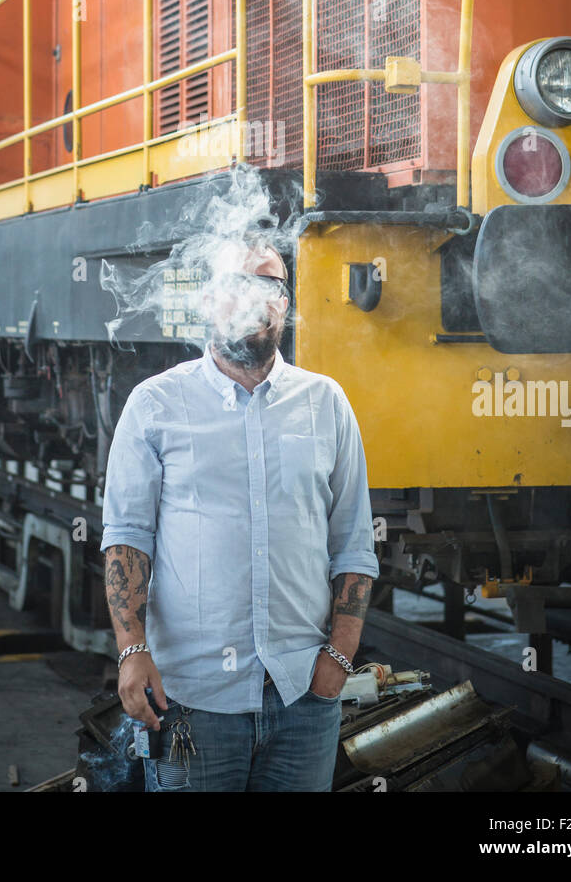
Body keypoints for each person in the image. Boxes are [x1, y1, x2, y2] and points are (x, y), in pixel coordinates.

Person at [100, 234, 378, 792]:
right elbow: (128, 541)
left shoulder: (327, 403)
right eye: (237, 284)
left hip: (303, 698)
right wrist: (132, 653)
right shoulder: (155, 404)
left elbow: (352, 542)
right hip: (194, 703)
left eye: (270, 284)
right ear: (207, 301)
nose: (256, 298)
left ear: (286, 302)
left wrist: (339, 660)